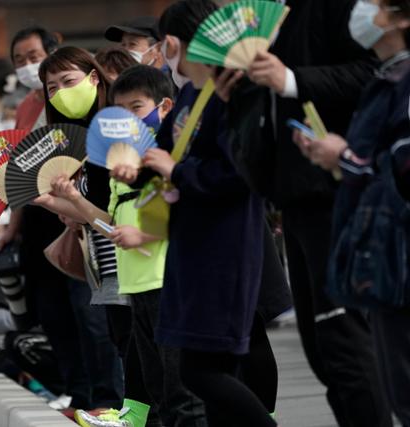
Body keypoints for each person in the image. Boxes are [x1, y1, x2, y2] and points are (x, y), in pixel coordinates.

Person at [214, 0, 392, 425]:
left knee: (344, 341)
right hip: (292, 197)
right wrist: (236, 94)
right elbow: (264, 115)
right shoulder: (260, 20)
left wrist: (290, 79)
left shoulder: (339, 9)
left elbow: (377, 72)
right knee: (321, 349)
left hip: (338, 191)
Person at [118, 1, 273, 425]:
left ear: (171, 43)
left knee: (201, 370)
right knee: (206, 369)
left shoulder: (232, 94)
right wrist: (136, 172)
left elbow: (238, 172)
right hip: (190, 243)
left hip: (225, 243)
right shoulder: (189, 94)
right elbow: (162, 155)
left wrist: (177, 172)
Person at [295, 1, 410, 423]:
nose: (364, 10)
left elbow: (399, 164)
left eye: (378, 5)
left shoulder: (402, 82)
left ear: (401, 18)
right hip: (384, 255)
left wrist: (344, 157)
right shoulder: (387, 78)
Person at [75, 64, 207, 427]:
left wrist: (145, 236)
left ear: (164, 106)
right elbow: (113, 225)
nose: (128, 120)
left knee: (183, 391)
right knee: (159, 389)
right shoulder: (125, 161)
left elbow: (185, 211)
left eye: (136, 108)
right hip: (138, 288)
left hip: (169, 283)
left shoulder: (170, 154)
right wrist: (67, 200)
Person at [1, 28, 124, 412]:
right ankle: (96, 400)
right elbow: (83, 204)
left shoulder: (114, 122)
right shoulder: (48, 123)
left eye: (67, 81)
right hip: (90, 245)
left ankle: (110, 401)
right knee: (85, 323)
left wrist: (67, 203)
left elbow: (106, 205)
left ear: (93, 76)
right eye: (51, 87)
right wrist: (55, 203)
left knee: (106, 328)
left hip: (124, 246)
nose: (59, 92)